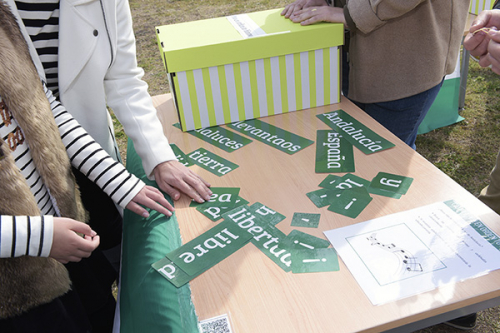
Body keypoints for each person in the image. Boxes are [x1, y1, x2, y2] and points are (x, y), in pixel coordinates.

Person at [0, 2, 174, 332]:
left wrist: (121, 183)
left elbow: (44, 106)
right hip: (19, 284)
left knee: (100, 312)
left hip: (56, 223)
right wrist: (38, 237)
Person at [281, 0, 470, 150]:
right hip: (353, 55)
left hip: (401, 64)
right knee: (356, 149)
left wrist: (351, 15)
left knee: (385, 158)